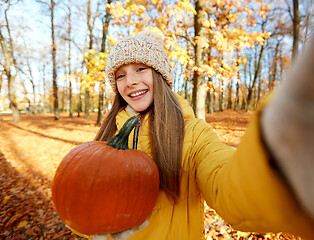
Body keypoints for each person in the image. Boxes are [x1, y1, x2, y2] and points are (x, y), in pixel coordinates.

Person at [93, 30, 314, 240]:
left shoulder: (194, 134)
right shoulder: (108, 136)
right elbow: (84, 196)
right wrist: (90, 227)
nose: (130, 81)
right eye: (120, 75)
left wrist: (274, 161)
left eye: (140, 69)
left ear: (161, 76)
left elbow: (225, 183)